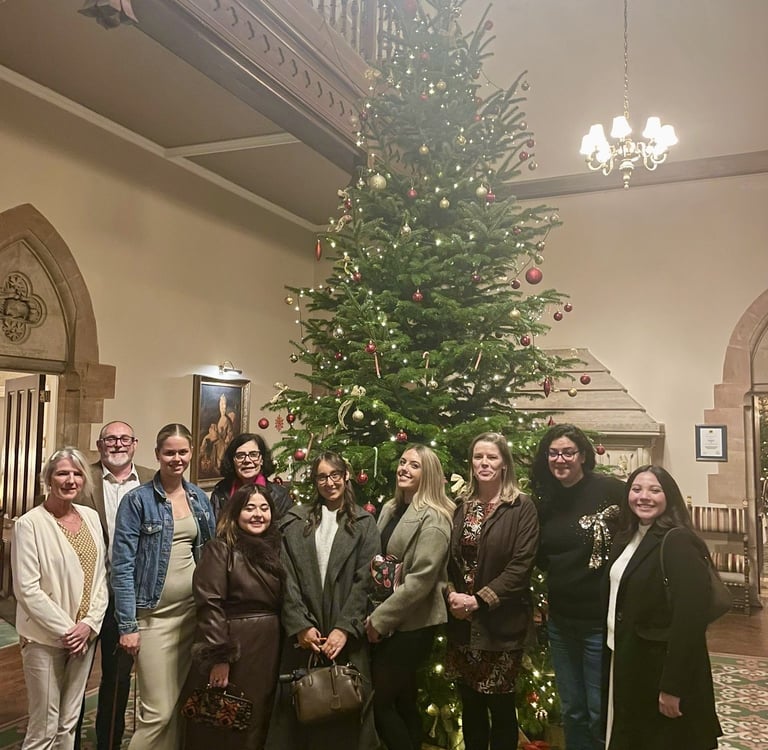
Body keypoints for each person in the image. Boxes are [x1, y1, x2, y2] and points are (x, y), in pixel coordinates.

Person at [111, 423, 216, 750]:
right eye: (169, 452)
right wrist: (127, 624)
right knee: (156, 712)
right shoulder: (137, 501)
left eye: (182, 452)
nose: (176, 458)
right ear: (157, 454)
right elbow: (123, 565)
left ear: (191, 453)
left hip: (191, 617)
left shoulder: (199, 498)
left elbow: (210, 555)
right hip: (153, 619)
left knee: (178, 707)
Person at [267, 452, 380, 750]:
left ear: (345, 477)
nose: (329, 482)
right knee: (298, 719)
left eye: (335, 475)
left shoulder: (366, 523)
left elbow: (365, 582)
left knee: (345, 719)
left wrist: (345, 628)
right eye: (321, 476)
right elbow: (285, 576)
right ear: (314, 481)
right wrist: (300, 625)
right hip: (305, 637)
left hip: (345, 638)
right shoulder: (295, 520)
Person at [605, 466, 722, 750]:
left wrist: (673, 686)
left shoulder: (678, 541)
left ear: (669, 496)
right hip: (629, 659)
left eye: (654, 490)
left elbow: (690, 620)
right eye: (636, 489)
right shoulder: (630, 536)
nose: (643, 497)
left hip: (660, 669)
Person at [530, 424, 624, 750]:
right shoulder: (545, 500)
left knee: (598, 709)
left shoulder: (610, 490)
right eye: (553, 453)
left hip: (599, 622)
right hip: (561, 623)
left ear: (583, 455)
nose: (560, 459)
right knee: (572, 709)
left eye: (568, 452)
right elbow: (540, 556)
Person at [445, 432, 539, 750]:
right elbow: (447, 561)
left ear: (504, 464)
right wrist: (451, 596)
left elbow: (520, 567)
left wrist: (478, 601)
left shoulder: (521, 507)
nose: (484, 463)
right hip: (462, 625)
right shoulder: (460, 506)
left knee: (500, 709)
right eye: (478, 457)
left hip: (500, 625)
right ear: (471, 464)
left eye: (492, 457)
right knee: (470, 705)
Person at [12, 447, 108, 750]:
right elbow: (27, 589)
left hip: (85, 637)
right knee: (44, 726)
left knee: (69, 723)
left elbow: (101, 579)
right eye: (62, 473)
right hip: (46, 638)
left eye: (77, 473)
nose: (70, 479)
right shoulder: (29, 524)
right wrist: (68, 630)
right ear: (48, 478)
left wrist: (89, 626)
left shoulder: (91, 517)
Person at [365, 444, 454, 750]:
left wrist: (379, 620)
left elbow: (420, 582)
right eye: (403, 462)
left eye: (414, 465)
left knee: (379, 703)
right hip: (388, 614)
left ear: (427, 474)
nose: (404, 468)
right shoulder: (390, 508)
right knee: (403, 700)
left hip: (412, 625)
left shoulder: (435, 519)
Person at [183, 485, 284, 750]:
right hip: (237, 644)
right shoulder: (220, 548)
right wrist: (220, 656)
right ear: (236, 513)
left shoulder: (280, 548)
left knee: (261, 716)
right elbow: (209, 603)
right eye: (249, 508)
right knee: (226, 717)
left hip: (272, 644)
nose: (258, 514)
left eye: (264, 508)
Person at [75, 421, 154, 750]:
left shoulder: (153, 479)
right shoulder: (81, 478)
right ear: (99, 444)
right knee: (73, 683)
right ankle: (68, 742)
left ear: (135, 443)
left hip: (128, 598)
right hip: (83, 595)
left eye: (124, 438)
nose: (117, 444)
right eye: (110, 439)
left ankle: (108, 743)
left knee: (118, 680)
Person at [209, 433, 292, 520]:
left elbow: (285, 531)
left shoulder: (280, 496)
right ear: (232, 461)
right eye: (240, 456)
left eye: (253, 454)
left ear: (262, 460)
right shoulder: (220, 493)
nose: (247, 460)